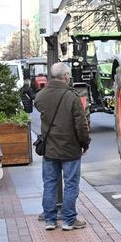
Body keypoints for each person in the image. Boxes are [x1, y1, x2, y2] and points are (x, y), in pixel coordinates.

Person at [34, 62, 91, 230]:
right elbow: (81, 125)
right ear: (66, 76)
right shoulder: (72, 96)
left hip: (50, 148)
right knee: (71, 184)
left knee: (49, 183)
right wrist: (84, 143)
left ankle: (50, 220)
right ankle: (68, 220)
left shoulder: (41, 96)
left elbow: (38, 107)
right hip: (70, 149)